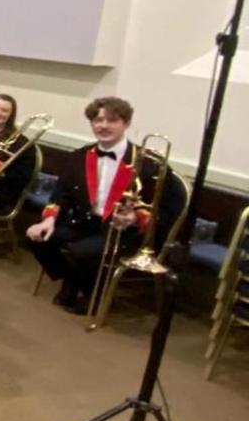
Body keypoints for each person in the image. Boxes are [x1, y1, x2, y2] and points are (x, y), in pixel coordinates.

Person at [26, 97, 177, 314]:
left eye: (112, 120)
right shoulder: (79, 156)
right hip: (83, 221)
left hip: (120, 230)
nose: (103, 126)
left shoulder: (148, 164)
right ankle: (80, 283)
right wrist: (48, 220)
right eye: (98, 120)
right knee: (36, 238)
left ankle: (86, 290)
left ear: (126, 123)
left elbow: (166, 208)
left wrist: (135, 218)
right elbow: (61, 194)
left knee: (80, 252)